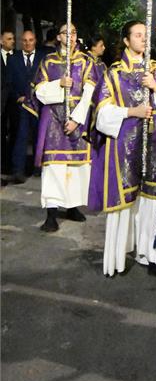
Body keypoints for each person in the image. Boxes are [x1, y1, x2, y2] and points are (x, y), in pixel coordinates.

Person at [88, 20, 156, 280]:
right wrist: (132, 112)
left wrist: (155, 87)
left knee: (155, 201)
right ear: (127, 41)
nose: (144, 39)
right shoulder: (114, 73)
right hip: (124, 145)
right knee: (125, 203)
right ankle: (119, 255)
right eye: (138, 35)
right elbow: (102, 114)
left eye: (146, 35)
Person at [26, 22, 96, 232]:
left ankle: (73, 206)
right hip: (54, 121)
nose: (71, 36)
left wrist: (77, 119)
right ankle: (51, 213)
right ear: (58, 36)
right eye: (67, 32)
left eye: (74, 32)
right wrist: (58, 85)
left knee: (78, 168)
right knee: (55, 167)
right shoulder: (48, 61)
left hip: (78, 120)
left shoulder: (86, 62)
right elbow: (38, 91)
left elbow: (90, 92)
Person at [6, 30, 48, 182]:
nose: (28, 43)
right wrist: (18, 97)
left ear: (35, 40)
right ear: (20, 42)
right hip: (22, 105)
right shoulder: (13, 59)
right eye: (24, 40)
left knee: (40, 136)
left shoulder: (43, 58)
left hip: (40, 105)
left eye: (30, 40)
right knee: (20, 137)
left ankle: (38, 168)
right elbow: (8, 82)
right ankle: (18, 170)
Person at [1, 29, 17, 177]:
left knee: (14, 133)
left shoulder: (17, 57)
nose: (12, 41)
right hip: (1, 103)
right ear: (1, 40)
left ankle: (10, 164)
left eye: (13, 39)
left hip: (14, 103)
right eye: (9, 39)